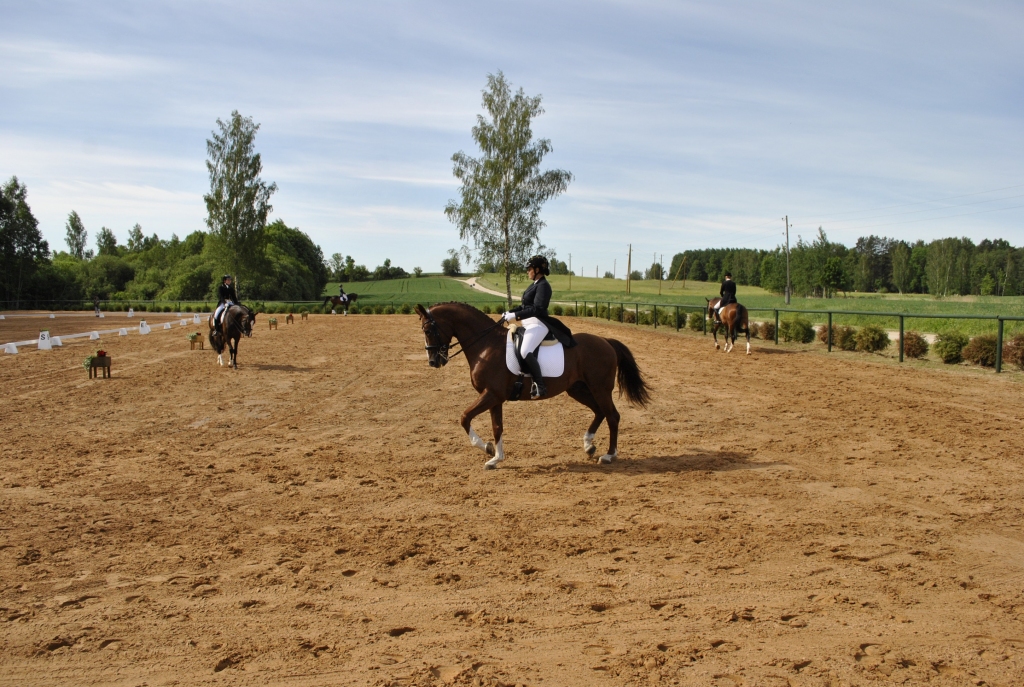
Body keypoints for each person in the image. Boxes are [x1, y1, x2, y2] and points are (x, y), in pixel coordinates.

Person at [501, 255, 576, 399]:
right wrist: (510, 312)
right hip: (529, 323)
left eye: (529, 269)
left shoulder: (544, 286)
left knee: (525, 350)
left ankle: (540, 385)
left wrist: (515, 317)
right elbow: (525, 306)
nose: (527, 271)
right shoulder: (535, 284)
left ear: (537, 269)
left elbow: (537, 309)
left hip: (539, 323)